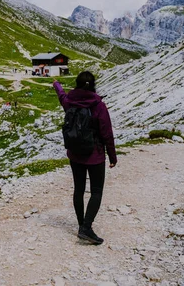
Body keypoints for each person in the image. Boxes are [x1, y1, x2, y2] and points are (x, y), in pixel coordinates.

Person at [53, 71, 117, 245]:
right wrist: (112, 155)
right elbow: (107, 133)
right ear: (93, 85)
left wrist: (56, 84)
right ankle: (86, 228)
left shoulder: (69, 102)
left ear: (77, 83)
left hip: (75, 153)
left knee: (79, 190)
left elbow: (61, 95)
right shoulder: (98, 105)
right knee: (96, 191)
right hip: (95, 155)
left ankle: (82, 224)